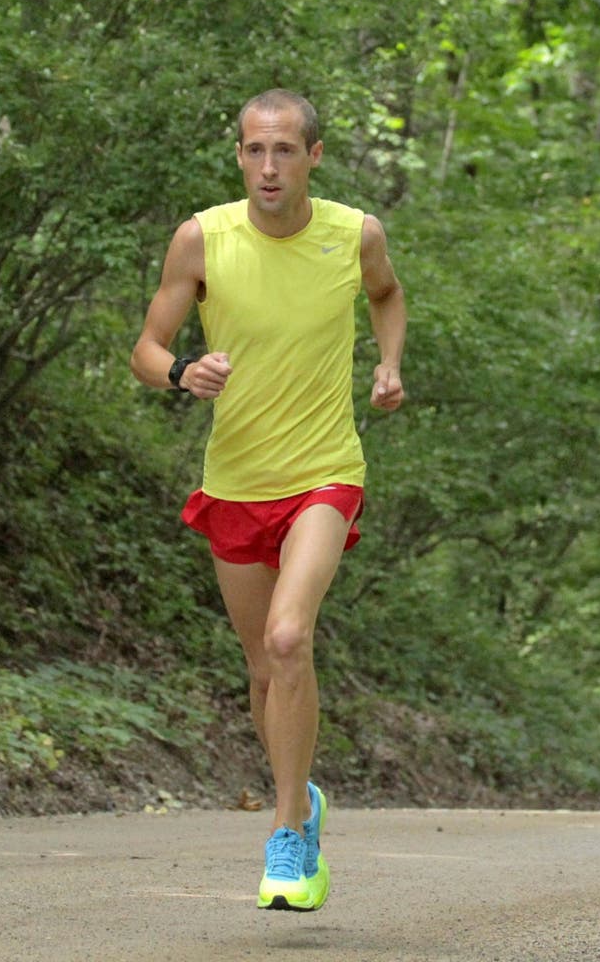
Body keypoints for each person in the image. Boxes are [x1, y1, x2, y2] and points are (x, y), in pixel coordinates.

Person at [130, 88, 406, 912]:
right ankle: (305, 797)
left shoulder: (353, 235)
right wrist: (182, 372)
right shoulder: (202, 239)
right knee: (261, 669)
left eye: (286, 150)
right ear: (239, 155)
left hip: (326, 471)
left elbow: (387, 295)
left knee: (290, 637)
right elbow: (147, 347)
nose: (269, 166)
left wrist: (388, 365)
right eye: (255, 150)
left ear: (314, 156)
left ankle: (289, 833)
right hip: (236, 482)